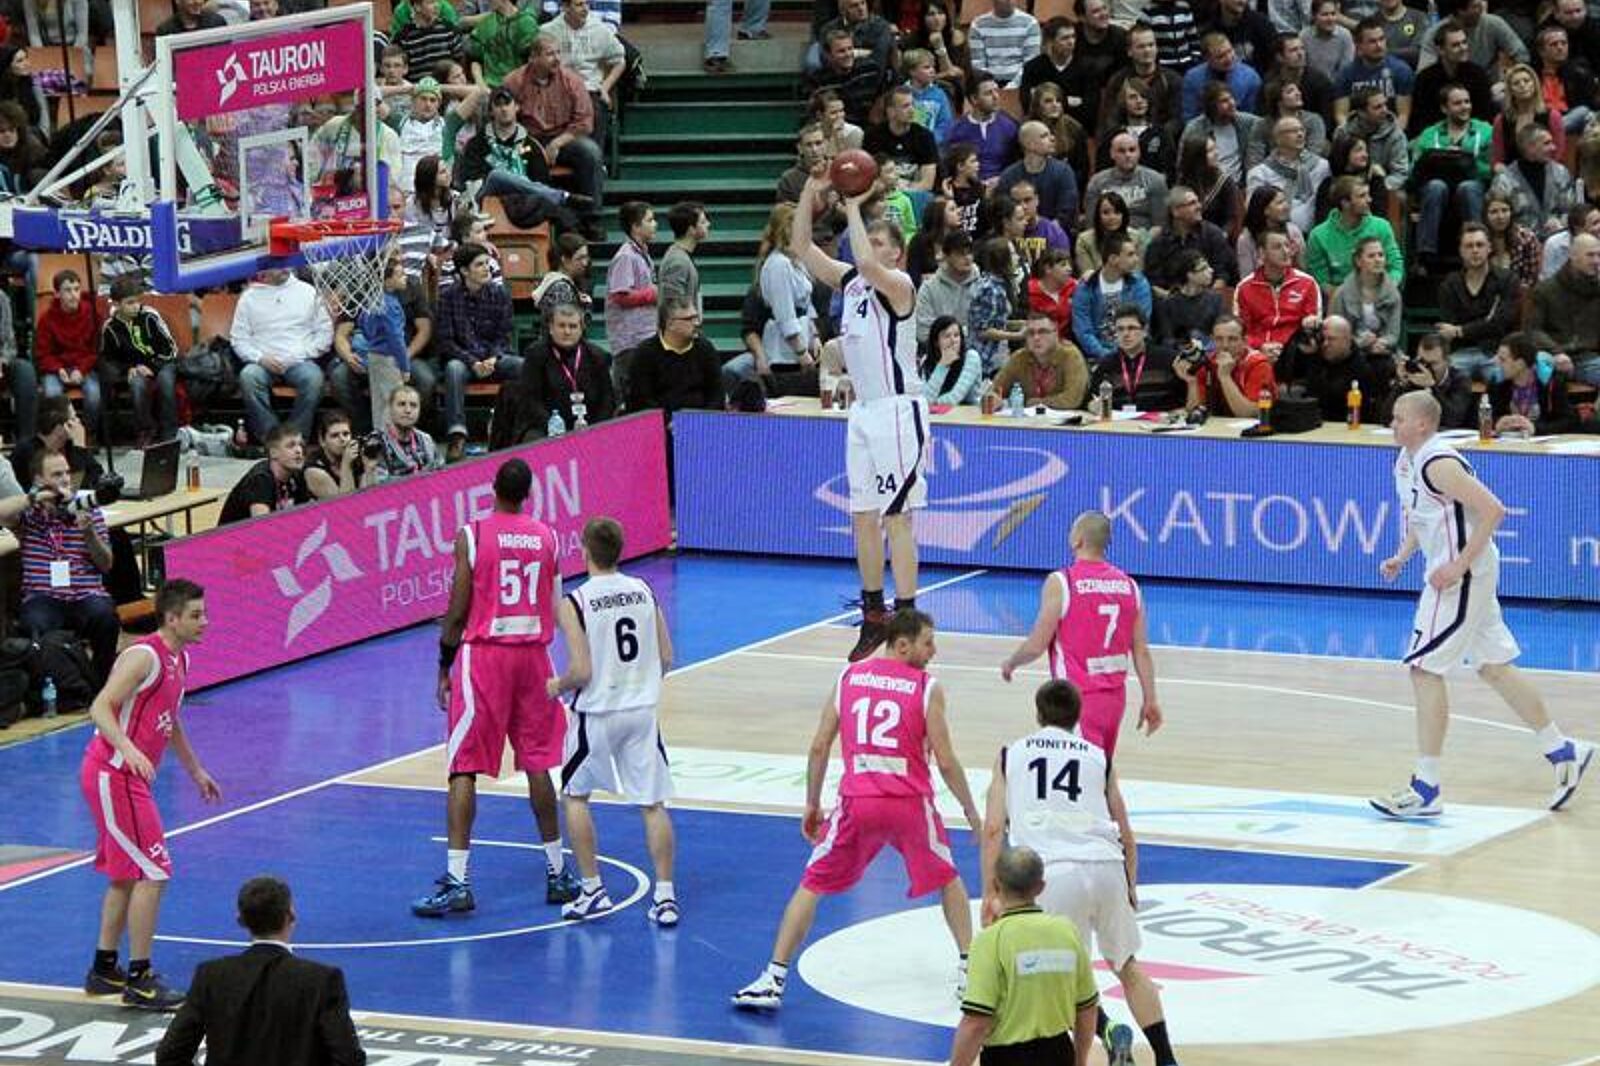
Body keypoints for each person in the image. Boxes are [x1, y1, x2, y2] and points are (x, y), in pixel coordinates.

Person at [731, 609, 984, 1010]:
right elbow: (947, 761)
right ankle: (971, 971)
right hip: (909, 805)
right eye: (928, 643)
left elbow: (819, 745)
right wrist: (970, 810)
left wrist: (812, 802)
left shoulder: (848, 676)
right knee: (949, 878)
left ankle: (773, 978)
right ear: (903, 645)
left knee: (812, 884)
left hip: (857, 803)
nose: (934, 651)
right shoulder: (927, 687)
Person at [1373, 391, 1594, 818]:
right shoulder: (1406, 460)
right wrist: (1402, 555)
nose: (1392, 424)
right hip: (1463, 570)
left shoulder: (1439, 462)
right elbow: (1423, 517)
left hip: (1462, 574)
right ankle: (1562, 750)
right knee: (1494, 667)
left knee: (1424, 669)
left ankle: (1426, 788)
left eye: (1399, 418)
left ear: (1422, 424)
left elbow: (1493, 510)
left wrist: (1458, 566)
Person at [415, 458, 586, 917]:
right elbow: (554, 604)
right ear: (529, 494)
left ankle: (458, 881)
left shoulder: (472, 534)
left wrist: (444, 664)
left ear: (493, 488)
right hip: (534, 658)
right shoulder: (548, 537)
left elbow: (457, 610)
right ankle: (557, 873)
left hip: (486, 657)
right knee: (537, 763)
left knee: (463, 766)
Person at [977, 683, 1180, 1066]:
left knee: (1058, 972)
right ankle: (1166, 1058)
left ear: (1038, 713)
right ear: (1077, 716)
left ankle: (1107, 1030)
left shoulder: (1010, 755)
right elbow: (1125, 831)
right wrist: (1130, 883)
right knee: (1128, 966)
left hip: (1051, 872)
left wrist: (991, 890)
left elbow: (992, 830)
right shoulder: (1099, 757)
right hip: (1106, 866)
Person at [793, 166, 927, 661]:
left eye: (879, 241)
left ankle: (908, 619)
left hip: (898, 410)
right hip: (864, 412)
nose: (869, 246)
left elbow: (867, 264)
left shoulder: (900, 285)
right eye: (867, 239)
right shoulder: (850, 282)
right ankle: (874, 616)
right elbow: (801, 247)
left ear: (897, 252)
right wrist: (811, 191)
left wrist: (852, 203)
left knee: (898, 519)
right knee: (863, 518)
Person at [77, 579, 216, 1013]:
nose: (204, 622)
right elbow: (100, 707)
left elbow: (168, 721)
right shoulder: (144, 656)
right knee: (153, 871)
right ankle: (140, 979)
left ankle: (104, 969)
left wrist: (195, 770)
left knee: (125, 874)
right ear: (171, 618)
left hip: (125, 776)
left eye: (204, 614)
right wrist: (128, 747)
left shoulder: (181, 659)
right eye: (195, 615)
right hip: (113, 774)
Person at [551, 517, 679, 925]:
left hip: (597, 714)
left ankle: (593, 890)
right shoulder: (643, 590)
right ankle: (665, 897)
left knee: (574, 797)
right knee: (652, 804)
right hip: (641, 711)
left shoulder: (575, 601)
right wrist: (638, 686)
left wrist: (556, 685)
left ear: (585, 551)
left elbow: (582, 671)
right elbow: (667, 656)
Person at [999, 510, 1162, 756]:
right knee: (1101, 770)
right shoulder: (1130, 586)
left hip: (1076, 700)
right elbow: (1141, 651)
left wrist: (1011, 663)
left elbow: (1036, 645)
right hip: (1115, 700)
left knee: (1083, 774)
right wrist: (1150, 699)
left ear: (1077, 540)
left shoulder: (1062, 582)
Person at [154, 876, 365, 1066]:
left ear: (241, 920)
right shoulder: (321, 980)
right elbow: (349, 1059)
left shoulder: (211, 976)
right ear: (291, 916)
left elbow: (169, 1055)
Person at [951, 844, 1100, 1066]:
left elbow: (976, 1023)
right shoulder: (1067, 932)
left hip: (1007, 1057)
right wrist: (1080, 1060)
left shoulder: (990, 941)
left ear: (996, 884)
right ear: (1040, 887)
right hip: (1060, 1052)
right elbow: (1087, 1008)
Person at [0, 448, 118, 683]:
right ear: (39, 480)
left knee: (106, 616)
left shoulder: (86, 506)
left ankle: (100, 682)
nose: (65, 479)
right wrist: (34, 498)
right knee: (34, 623)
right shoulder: (28, 513)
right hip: (43, 595)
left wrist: (89, 534)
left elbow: (106, 564)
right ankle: (53, 688)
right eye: (56, 474)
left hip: (85, 593)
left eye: (66, 472)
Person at [500, 37, 608, 239]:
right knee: (515, 155)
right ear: (533, 57)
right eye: (550, 54)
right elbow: (502, 119)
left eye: (558, 53)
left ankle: (591, 219)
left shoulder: (572, 80)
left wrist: (557, 143)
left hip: (565, 137)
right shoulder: (513, 82)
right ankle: (540, 218)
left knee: (591, 152)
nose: (557, 58)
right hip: (527, 138)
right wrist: (532, 144)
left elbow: (584, 122)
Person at [231, 268, 333, 444]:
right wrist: (259, 358)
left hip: (300, 360)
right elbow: (238, 339)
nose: (285, 268)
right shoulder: (248, 297)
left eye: (287, 263)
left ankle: (295, 439)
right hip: (263, 361)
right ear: (264, 270)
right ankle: (273, 440)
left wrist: (301, 354)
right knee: (248, 376)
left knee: (314, 378)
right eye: (278, 265)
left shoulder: (308, 292)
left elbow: (325, 333)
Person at [438, 242, 522, 451]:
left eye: (487, 263)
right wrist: (473, 362)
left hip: (493, 359)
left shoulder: (500, 294)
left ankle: (519, 428)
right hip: (464, 361)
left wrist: (493, 358)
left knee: (524, 366)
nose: (487, 268)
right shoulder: (448, 297)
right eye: (479, 264)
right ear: (464, 271)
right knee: (453, 369)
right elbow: (446, 341)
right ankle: (457, 435)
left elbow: (504, 335)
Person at [97, 275, 178, 445]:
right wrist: (128, 368)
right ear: (116, 304)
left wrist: (152, 366)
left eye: (137, 301)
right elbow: (109, 360)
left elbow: (170, 348)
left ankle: (170, 432)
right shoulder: (110, 327)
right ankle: (146, 431)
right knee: (136, 384)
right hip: (135, 368)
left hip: (162, 361)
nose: (136, 306)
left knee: (166, 381)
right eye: (130, 303)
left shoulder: (150, 316)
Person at [625, 298, 727, 421]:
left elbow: (717, 394)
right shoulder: (645, 354)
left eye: (696, 317)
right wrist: (669, 422)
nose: (696, 323)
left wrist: (702, 420)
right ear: (670, 324)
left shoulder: (705, 349)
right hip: (659, 425)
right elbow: (642, 401)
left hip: (701, 423)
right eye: (689, 319)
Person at [35, 268, 103, 440]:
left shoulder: (92, 315)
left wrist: (81, 369)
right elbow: (43, 354)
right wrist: (58, 369)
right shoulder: (46, 319)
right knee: (52, 394)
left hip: (84, 367)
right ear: (57, 294)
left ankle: (88, 436)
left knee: (94, 394)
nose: (73, 295)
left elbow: (96, 351)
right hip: (56, 369)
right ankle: (60, 439)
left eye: (76, 289)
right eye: (67, 290)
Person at [1306, 175, 1403, 291]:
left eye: (1368, 194)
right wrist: (1350, 297)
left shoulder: (1382, 227)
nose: (1369, 200)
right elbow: (1320, 280)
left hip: (1379, 293)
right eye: (1362, 196)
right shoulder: (1318, 235)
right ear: (1345, 203)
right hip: (1339, 296)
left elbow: (1395, 267)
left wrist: (1385, 290)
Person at [1528, 231, 1600, 385]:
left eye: (1598, 255)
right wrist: (1556, 351)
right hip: (1556, 358)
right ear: (1573, 256)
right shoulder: (1546, 290)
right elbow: (1533, 330)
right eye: (1590, 255)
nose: (1596, 261)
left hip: (1590, 357)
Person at [1072, 231, 1153, 365]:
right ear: (1113, 259)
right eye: (1130, 255)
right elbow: (1084, 331)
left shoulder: (1139, 284)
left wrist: (1122, 354)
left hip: (1133, 352)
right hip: (1097, 356)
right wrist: (1106, 355)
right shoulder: (1086, 288)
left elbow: (1141, 323)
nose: (1136, 259)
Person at [1143, 183, 1239, 293]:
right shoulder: (1159, 243)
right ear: (1175, 211)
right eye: (1192, 203)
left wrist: (1206, 298)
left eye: (1198, 201)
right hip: (1172, 299)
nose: (1199, 206)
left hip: (1210, 296)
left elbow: (1222, 275)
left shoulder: (1212, 234)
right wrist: (1176, 299)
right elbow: (1154, 283)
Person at [1178, 313, 1276, 417]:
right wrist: (1192, 382)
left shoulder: (1259, 365)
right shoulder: (1207, 363)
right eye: (1219, 339)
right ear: (1212, 339)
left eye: (1232, 339)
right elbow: (1194, 411)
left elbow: (1248, 414)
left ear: (1244, 341)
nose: (1225, 346)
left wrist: (1225, 377)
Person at [605, 201, 659, 390]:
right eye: (650, 220)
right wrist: (653, 294)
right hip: (630, 340)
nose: (655, 224)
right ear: (635, 226)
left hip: (644, 335)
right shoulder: (626, 256)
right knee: (628, 391)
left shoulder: (642, 254)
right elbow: (620, 295)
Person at [217, 422, 315, 524]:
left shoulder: (296, 475)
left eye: (301, 445)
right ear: (273, 453)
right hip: (237, 534)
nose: (299, 450)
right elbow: (262, 527)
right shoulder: (261, 479)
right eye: (291, 446)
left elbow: (306, 516)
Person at [990, 310, 1090, 409]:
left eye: (1043, 332)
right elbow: (995, 390)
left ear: (1056, 333)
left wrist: (1035, 403)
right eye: (1030, 333)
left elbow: (1072, 400)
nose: (1036, 338)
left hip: (1068, 418)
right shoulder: (1019, 358)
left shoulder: (1071, 356)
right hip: (1028, 418)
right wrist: (993, 398)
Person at [1489, 330, 1577, 436]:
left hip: (1543, 444)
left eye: (1502, 360)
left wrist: (1535, 428)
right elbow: (1481, 417)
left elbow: (1568, 422)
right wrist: (1497, 423)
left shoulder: (1552, 383)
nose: (1496, 363)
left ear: (1520, 364)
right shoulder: (1497, 382)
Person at [1384, 332, 1475, 429]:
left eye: (1433, 364)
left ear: (1447, 361)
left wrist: (1432, 388)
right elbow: (1386, 418)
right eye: (1423, 362)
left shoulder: (1460, 380)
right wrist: (1402, 383)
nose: (1426, 368)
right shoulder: (1415, 377)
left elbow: (1453, 419)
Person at [968, 0, 1040, 89]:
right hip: (989, 84)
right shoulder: (978, 25)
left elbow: (1030, 64)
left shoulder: (1030, 23)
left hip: (1021, 83)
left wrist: (1011, 87)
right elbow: (978, 65)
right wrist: (992, 86)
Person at [659, 201, 709, 316]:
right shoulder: (677, 261)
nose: (708, 224)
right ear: (691, 229)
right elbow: (673, 308)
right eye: (703, 222)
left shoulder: (682, 256)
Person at [921, 316, 984, 406]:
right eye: (947, 336)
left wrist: (932, 403)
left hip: (968, 412)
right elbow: (925, 398)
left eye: (956, 335)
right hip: (937, 413)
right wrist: (942, 365)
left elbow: (954, 397)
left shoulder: (971, 357)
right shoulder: (927, 361)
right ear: (936, 342)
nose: (953, 340)